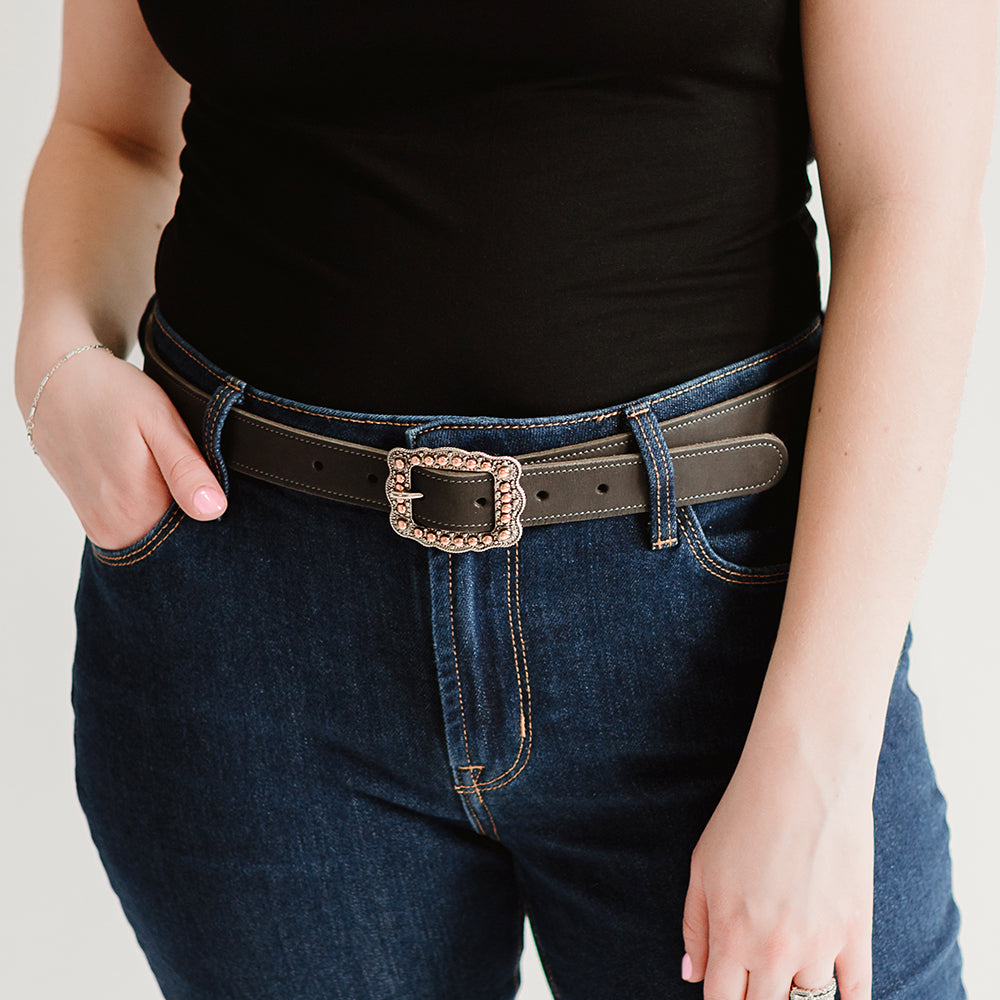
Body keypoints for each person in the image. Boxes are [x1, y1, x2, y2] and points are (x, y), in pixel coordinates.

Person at [12, 0, 995, 997]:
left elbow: (909, 205)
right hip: (248, 609)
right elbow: (112, 133)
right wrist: (54, 347)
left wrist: (820, 760)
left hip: (719, 631)